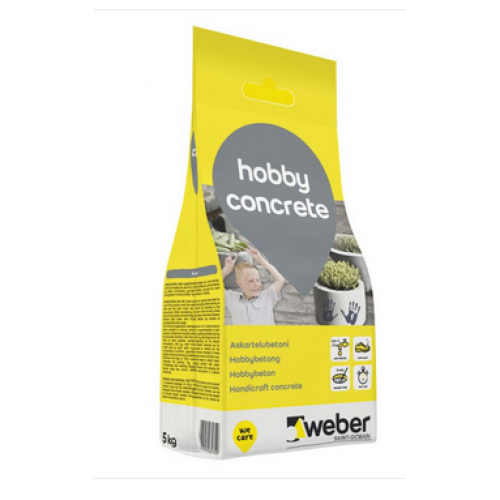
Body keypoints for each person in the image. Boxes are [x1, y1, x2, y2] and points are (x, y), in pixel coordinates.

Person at [221, 248, 285, 325]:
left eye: (258, 280)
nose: (256, 284)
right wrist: (226, 270)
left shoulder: (267, 297)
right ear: (240, 283)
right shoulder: (232, 299)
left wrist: (261, 260)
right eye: (251, 281)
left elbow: (280, 280)